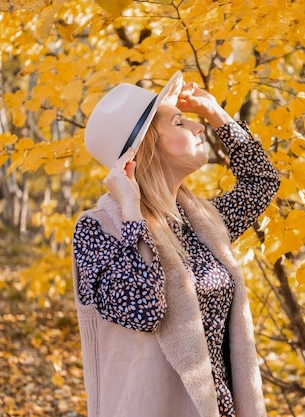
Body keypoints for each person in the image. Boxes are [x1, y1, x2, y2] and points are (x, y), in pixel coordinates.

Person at [71, 71, 280, 417]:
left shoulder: (202, 221)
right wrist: (131, 213)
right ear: (145, 150)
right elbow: (143, 308)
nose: (199, 128)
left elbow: (262, 181)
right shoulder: (98, 228)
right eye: (181, 122)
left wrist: (217, 113)